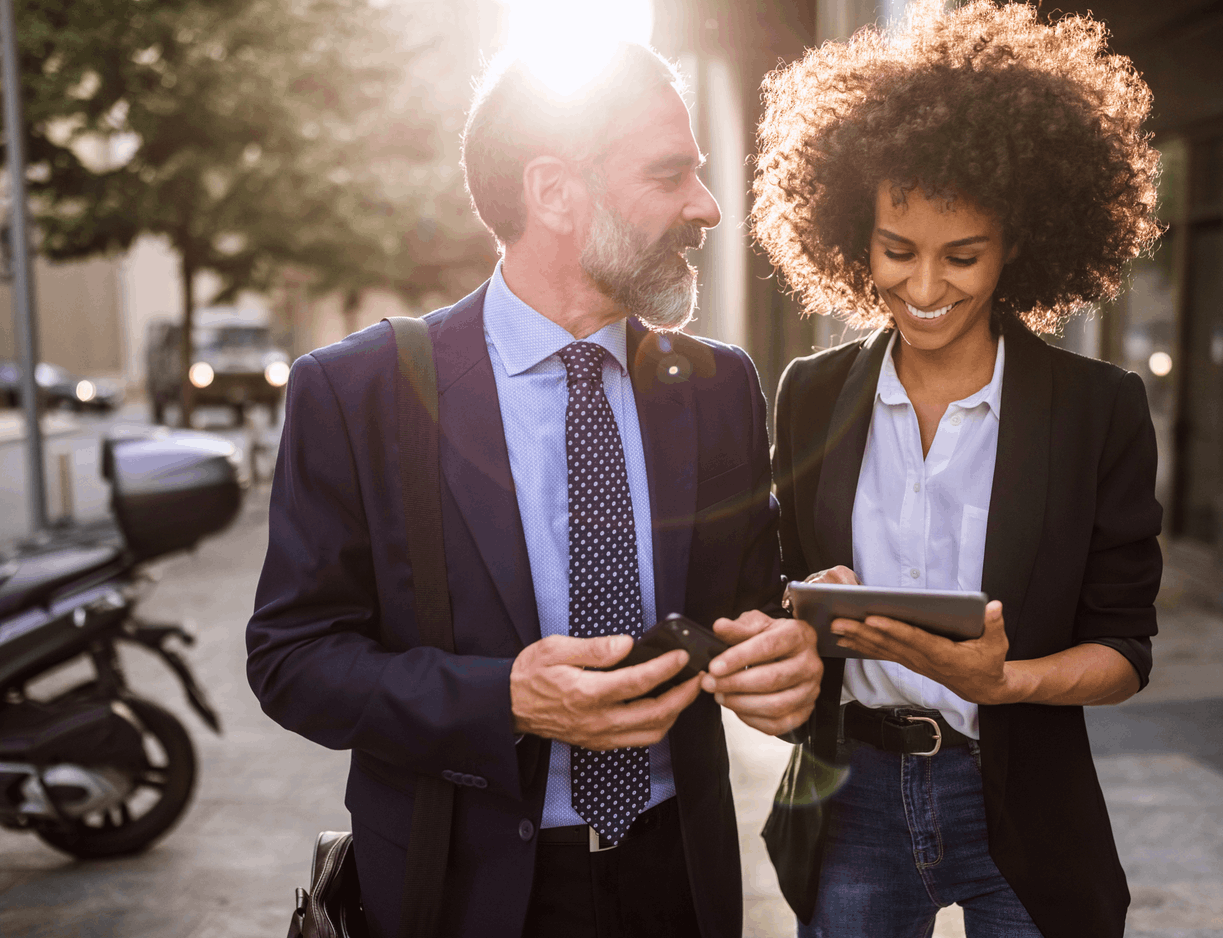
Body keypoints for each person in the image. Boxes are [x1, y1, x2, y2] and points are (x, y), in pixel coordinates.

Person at [246, 42, 822, 938]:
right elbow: (292, 659)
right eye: (670, 175)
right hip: (462, 895)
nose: (705, 207)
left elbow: (746, 607)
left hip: (678, 881)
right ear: (554, 192)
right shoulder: (358, 390)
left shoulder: (717, 386)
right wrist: (503, 699)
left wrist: (785, 660)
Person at [750, 3, 1163, 937]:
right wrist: (804, 604)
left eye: (962, 256)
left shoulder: (1098, 410)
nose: (926, 288)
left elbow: (1126, 651)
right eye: (897, 251)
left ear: (1018, 244)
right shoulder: (811, 393)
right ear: (854, 235)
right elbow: (777, 588)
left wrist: (1006, 682)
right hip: (850, 793)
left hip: (1019, 797)